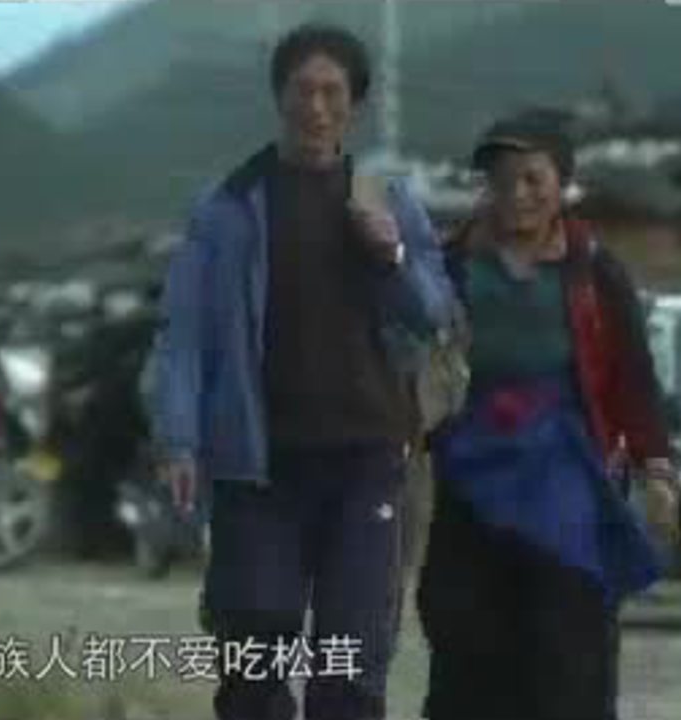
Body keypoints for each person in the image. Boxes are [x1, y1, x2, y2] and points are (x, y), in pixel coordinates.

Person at [148, 23, 453, 720]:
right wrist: (178, 439)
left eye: (332, 93)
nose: (316, 107)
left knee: (352, 656)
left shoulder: (387, 200)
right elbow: (183, 335)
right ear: (279, 97)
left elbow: (435, 315)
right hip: (259, 466)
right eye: (303, 90)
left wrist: (392, 256)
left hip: (367, 460)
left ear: (355, 106)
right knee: (252, 649)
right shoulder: (227, 208)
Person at [415, 108, 680, 720]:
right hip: (473, 471)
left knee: (568, 633)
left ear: (562, 184)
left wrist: (657, 469)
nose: (518, 194)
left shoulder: (595, 270)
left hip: (565, 467)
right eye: (502, 179)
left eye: (533, 178)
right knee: (464, 629)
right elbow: (406, 352)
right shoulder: (449, 264)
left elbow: (633, 379)